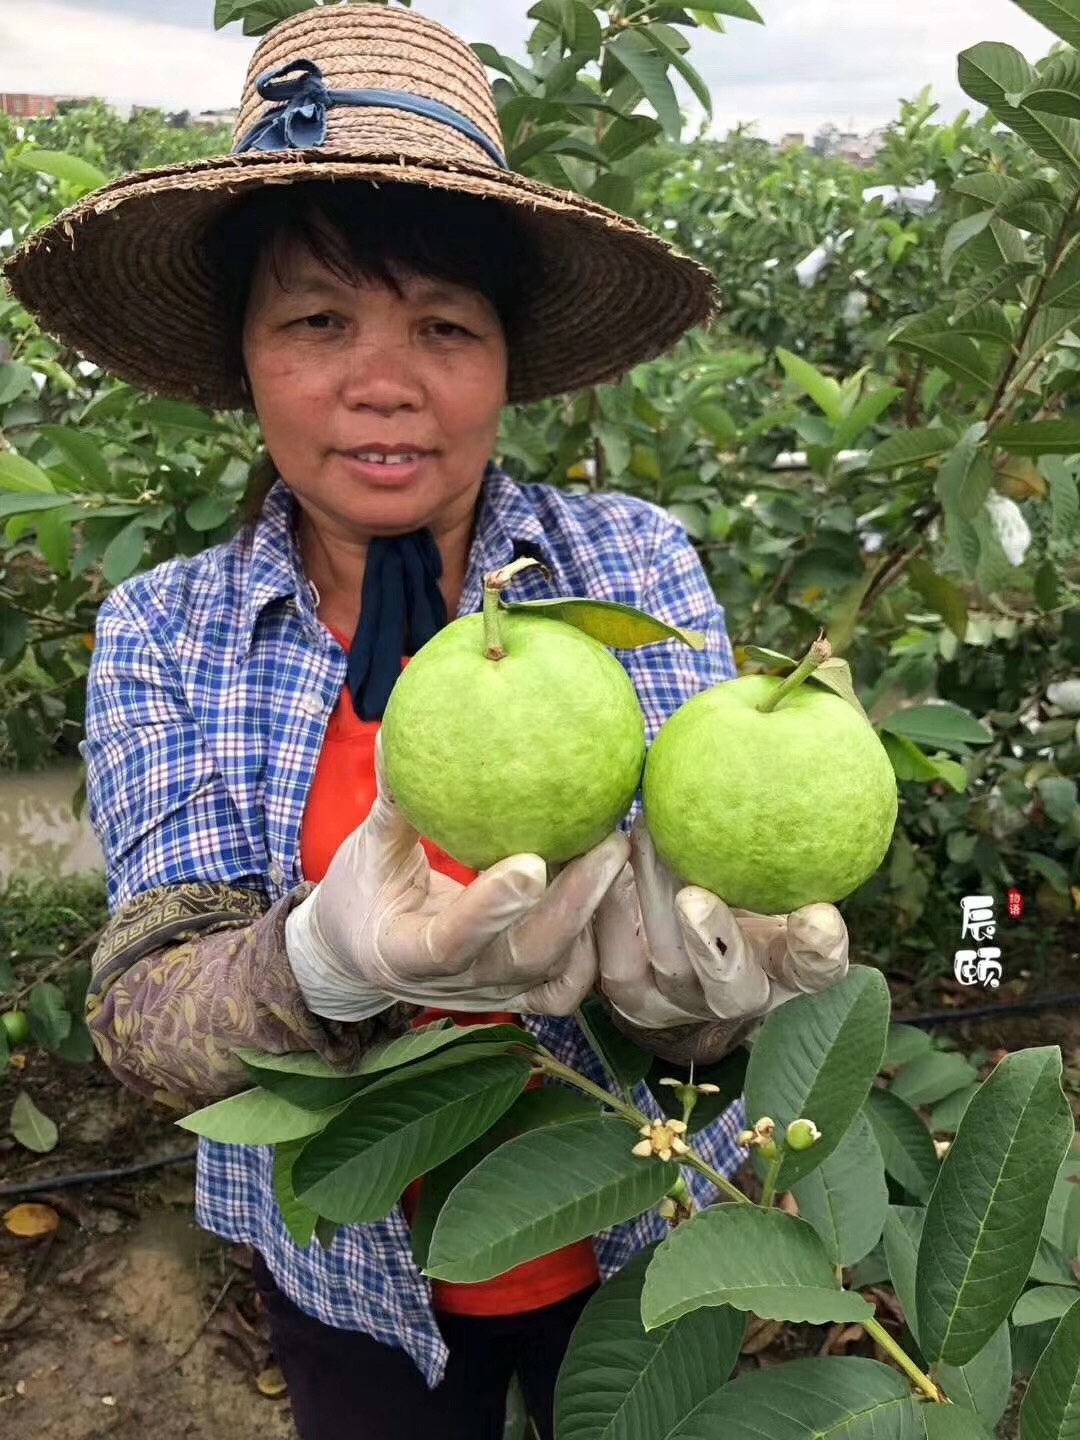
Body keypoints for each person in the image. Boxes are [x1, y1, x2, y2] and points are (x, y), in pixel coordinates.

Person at [4, 6, 851, 1437]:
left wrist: (718, 997)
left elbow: (720, 904)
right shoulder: (167, 630)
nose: (382, 381)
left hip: (639, 1235)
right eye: (318, 321)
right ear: (245, 355)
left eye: (444, 326)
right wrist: (322, 962)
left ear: (509, 361)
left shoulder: (631, 569)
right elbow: (143, 1018)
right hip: (347, 1266)